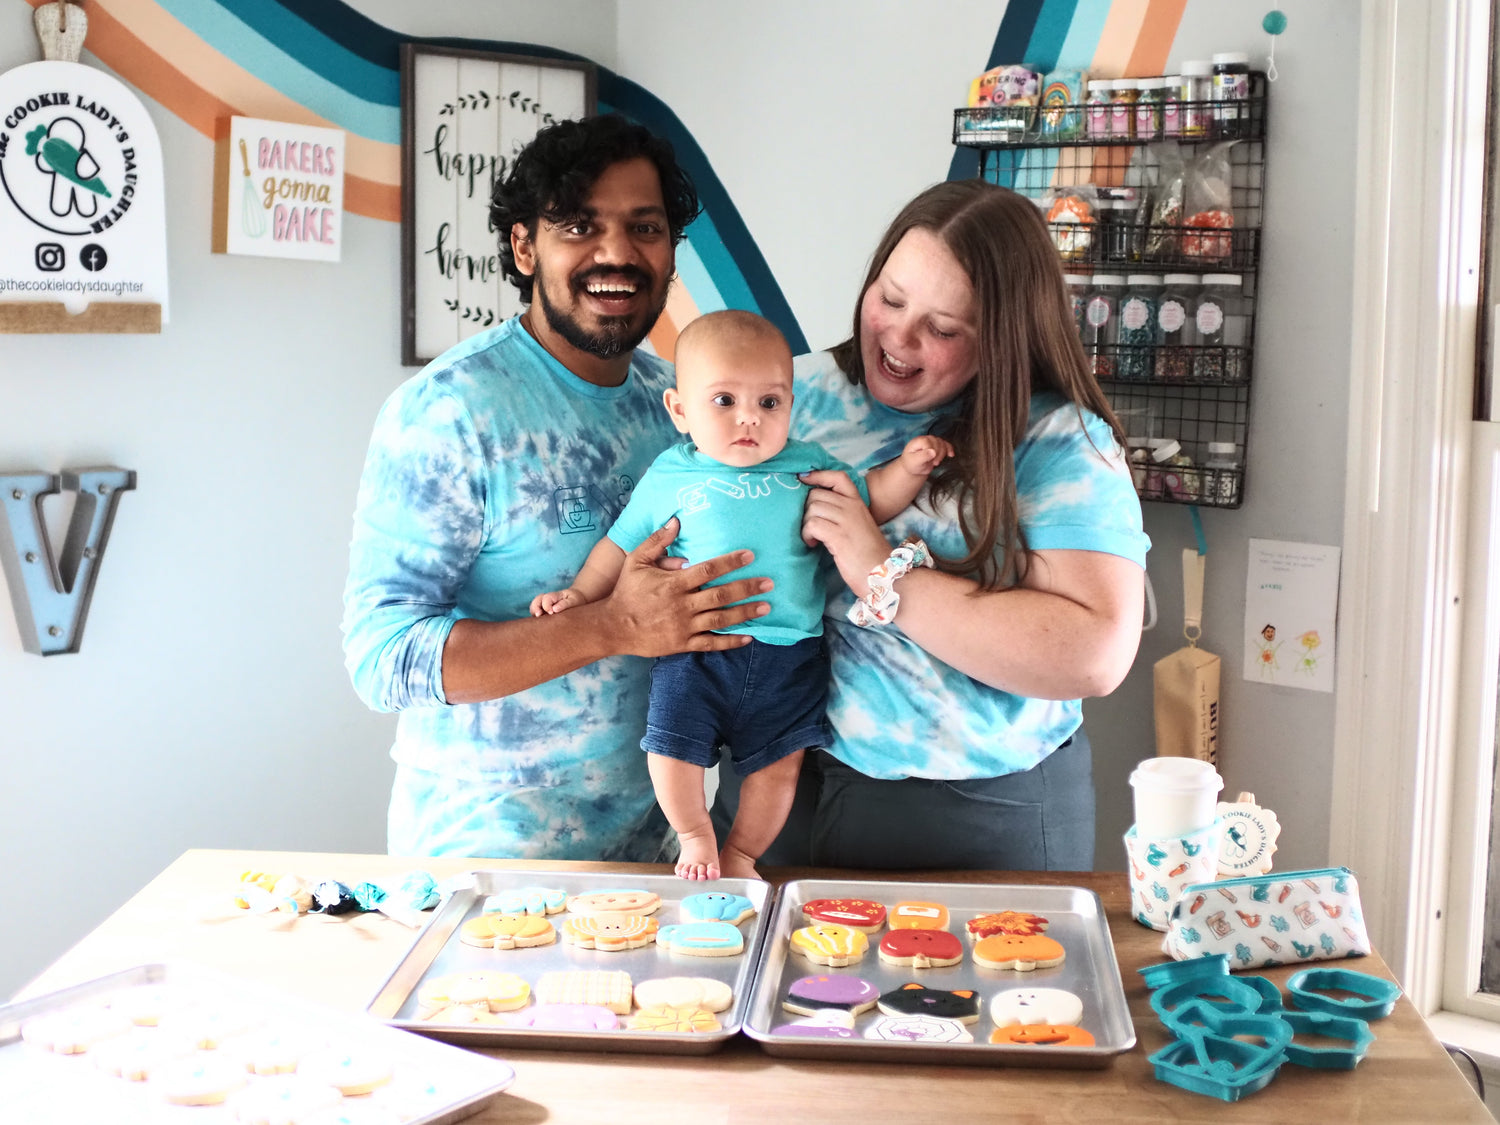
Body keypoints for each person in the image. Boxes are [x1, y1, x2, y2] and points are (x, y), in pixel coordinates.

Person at [342, 115, 771, 861]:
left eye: (646, 227)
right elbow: (382, 658)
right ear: (522, 246)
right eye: (579, 226)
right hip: (487, 862)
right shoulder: (451, 412)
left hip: (657, 850)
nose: (617, 253)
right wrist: (611, 625)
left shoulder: (676, 405)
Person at [711, 178, 1151, 871]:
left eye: (943, 328)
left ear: (1002, 339)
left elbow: (1093, 652)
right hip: (772, 787)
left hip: (974, 809)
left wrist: (878, 570)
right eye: (889, 297)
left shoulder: (1060, 441)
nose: (899, 335)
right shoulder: (787, 395)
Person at [531, 309, 950, 880]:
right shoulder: (669, 476)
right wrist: (581, 595)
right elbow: (621, 544)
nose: (748, 418)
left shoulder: (806, 465)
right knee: (669, 749)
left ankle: (744, 853)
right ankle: (695, 836)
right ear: (680, 410)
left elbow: (868, 502)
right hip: (695, 651)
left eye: (769, 403)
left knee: (779, 766)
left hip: (789, 655)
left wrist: (908, 469)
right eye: (724, 401)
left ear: (790, 407)